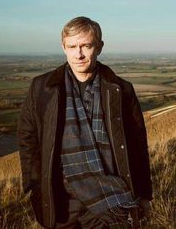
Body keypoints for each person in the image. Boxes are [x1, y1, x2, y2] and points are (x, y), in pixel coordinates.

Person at [18, 16, 152, 229]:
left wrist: (144, 193)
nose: (78, 54)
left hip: (109, 195)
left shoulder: (121, 89)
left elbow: (137, 144)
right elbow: (28, 139)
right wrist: (35, 185)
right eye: (72, 46)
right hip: (60, 199)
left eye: (86, 46)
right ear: (63, 47)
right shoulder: (42, 88)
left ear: (99, 47)